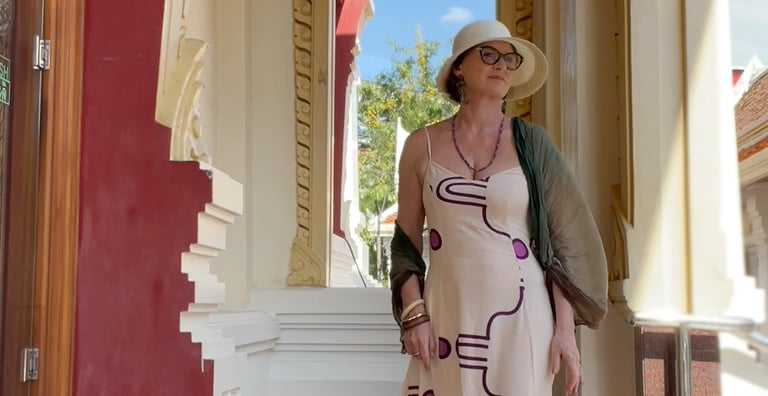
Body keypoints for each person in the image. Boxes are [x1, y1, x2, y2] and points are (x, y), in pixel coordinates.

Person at [389, 20, 608, 396]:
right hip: (447, 315)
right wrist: (414, 316)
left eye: (510, 58)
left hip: (522, 317)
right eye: (489, 54)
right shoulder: (420, 146)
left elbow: (563, 246)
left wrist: (564, 333)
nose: (502, 65)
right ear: (459, 66)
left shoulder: (533, 144)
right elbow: (405, 247)